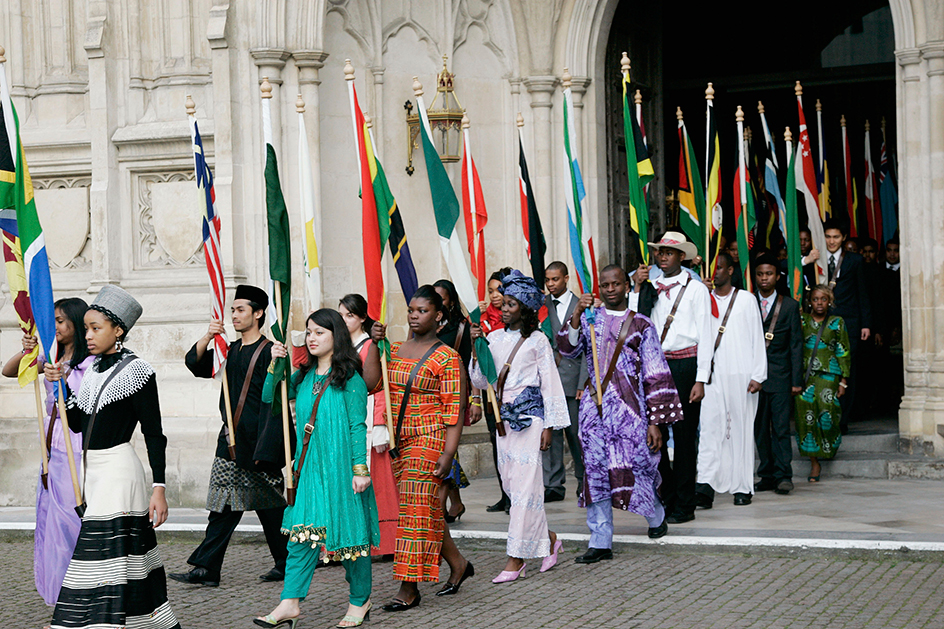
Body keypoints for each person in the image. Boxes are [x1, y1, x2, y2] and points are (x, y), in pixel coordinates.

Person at [49, 285, 180, 629]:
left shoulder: (138, 370)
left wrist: (160, 487)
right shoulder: (91, 371)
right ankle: (139, 622)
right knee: (121, 558)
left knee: (100, 555)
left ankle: (94, 624)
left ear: (118, 329)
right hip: (92, 470)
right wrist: (61, 386)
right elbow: (77, 424)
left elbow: (154, 433)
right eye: (87, 328)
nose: (88, 335)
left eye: (96, 328)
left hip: (120, 471)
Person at [255, 309, 379, 629]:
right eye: (309, 332)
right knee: (301, 538)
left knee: (352, 542)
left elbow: (356, 426)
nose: (311, 338)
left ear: (335, 337)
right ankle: (289, 602)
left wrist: (360, 469)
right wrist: (276, 362)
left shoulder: (350, 379)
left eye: (319, 333)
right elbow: (272, 396)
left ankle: (359, 601)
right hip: (308, 470)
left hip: (343, 472)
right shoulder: (303, 376)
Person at [559, 264, 683, 564]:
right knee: (596, 471)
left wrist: (655, 421)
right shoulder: (590, 319)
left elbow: (655, 373)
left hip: (630, 411)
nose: (610, 289)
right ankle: (600, 540)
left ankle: (655, 516)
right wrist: (575, 316)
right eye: (605, 284)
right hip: (593, 409)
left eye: (615, 284)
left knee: (637, 466)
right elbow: (567, 349)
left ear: (626, 286)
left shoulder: (642, 325)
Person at [172, 285, 288, 587]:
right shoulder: (229, 350)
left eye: (240, 310)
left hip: (259, 443)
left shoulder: (269, 351)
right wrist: (208, 337)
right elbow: (195, 364)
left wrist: (268, 449)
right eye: (232, 310)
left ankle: (288, 562)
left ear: (258, 313)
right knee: (222, 506)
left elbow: (275, 404)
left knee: (272, 507)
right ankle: (206, 568)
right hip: (230, 442)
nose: (234, 315)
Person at [368, 285, 473, 610]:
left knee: (413, 514)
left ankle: (409, 588)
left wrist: (447, 454)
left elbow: (454, 411)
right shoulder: (395, 349)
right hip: (399, 441)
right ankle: (458, 565)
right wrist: (374, 344)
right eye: (412, 310)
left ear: (439, 316)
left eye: (422, 310)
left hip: (430, 439)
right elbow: (372, 381)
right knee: (422, 509)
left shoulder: (447, 357)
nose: (414, 315)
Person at [469, 270, 568, 581]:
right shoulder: (494, 338)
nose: (505, 308)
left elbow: (550, 383)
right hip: (503, 422)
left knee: (526, 488)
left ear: (524, 308)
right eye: (504, 303)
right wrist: (476, 351)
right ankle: (549, 540)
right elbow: (481, 380)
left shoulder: (538, 341)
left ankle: (516, 559)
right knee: (514, 486)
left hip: (530, 420)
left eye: (511, 303)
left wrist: (550, 426)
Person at [2, 298, 91, 608]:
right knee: (51, 524)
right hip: (51, 448)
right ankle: (60, 599)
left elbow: (87, 404)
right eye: (52, 320)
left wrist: (62, 379)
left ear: (77, 325)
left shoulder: (89, 362)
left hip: (76, 447)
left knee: (71, 523)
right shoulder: (51, 356)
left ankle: (81, 596)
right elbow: (9, 371)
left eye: (61, 321)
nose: (54, 326)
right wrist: (30, 350)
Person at [629, 231, 712, 524]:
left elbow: (706, 334)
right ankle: (667, 497)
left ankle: (685, 505)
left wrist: (701, 378)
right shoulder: (649, 285)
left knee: (686, 437)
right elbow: (633, 318)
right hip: (656, 366)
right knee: (656, 435)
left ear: (682, 257)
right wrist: (637, 287)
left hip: (685, 364)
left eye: (669, 252)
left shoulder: (696, 288)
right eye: (659, 252)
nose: (662, 257)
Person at [695, 253, 767, 508]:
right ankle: (705, 486)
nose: (715, 273)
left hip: (741, 373)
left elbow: (757, 338)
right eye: (713, 268)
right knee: (709, 429)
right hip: (711, 375)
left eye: (720, 268)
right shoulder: (703, 299)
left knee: (740, 430)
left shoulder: (746, 300)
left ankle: (742, 487)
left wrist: (759, 374)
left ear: (731, 270)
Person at [339, 294, 397, 558]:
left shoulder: (370, 346)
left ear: (362, 317)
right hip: (344, 421)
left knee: (379, 484)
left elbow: (382, 385)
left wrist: (381, 422)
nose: (344, 320)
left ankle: (384, 543)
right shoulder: (338, 346)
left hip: (369, 422)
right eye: (340, 315)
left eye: (349, 315)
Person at [752, 254, 803, 496]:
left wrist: (796, 381)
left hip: (781, 376)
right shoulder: (746, 303)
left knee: (781, 428)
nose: (764, 278)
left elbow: (796, 345)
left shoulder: (790, 305)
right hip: (754, 379)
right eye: (760, 274)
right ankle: (766, 474)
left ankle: (784, 475)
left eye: (769, 274)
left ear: (778, 277)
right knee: (759, 429)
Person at [433, 279, 481, 523]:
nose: (437, 301)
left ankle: (439, 509)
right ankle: (457, 503)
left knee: (445, 448)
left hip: (453, 395)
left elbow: (470, 364)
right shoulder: (427, 324)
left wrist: (475, 399)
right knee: (441, 450)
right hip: (429, 396)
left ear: (451, 300)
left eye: (442, 297)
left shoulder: (461, 327)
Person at [542, 261, 586, 503]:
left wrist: (582, 383)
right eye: (548, 280)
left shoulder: (580, 305)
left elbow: (587, 349)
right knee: (552, 434)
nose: (551, 284)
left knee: (576, 434)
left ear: (566, 278)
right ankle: (553, 484)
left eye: (555, 279)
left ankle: (583, 480)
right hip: (549, 380)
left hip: (572, 380)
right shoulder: (542, 306)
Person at [821, 219, 871, 433]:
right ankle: (825, 416)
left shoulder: (854, 260)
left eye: (836, 237)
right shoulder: (817, 257)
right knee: (824, 370)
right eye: (828, 236)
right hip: (821, 324)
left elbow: (863, 293)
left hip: (849, 324)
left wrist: (866, 324)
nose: (831, 241)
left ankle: (842, 420)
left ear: (843, 239)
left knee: (845, 372)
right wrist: (806, 260)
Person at [796, 285, 851, 481]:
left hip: (829, 373)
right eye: (816, 299)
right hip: (805, 375)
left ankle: (829, 446)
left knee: (828, 410)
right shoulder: (802, 320)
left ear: (830, 302)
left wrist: (843, 381)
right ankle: (814, 462)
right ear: (810, 301)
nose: (819, 303)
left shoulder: (837, 322)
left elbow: (842, 349)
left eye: (824, 299)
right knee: (806, 417)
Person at [478, 267, 513, 512]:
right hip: (491, 387)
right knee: (495, 439)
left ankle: (517, 494)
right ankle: (505, 494)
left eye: (499, 289)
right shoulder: (483, 319)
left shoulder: (515, 318)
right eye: (490, 290)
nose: (494, 295)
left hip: (512, 386)